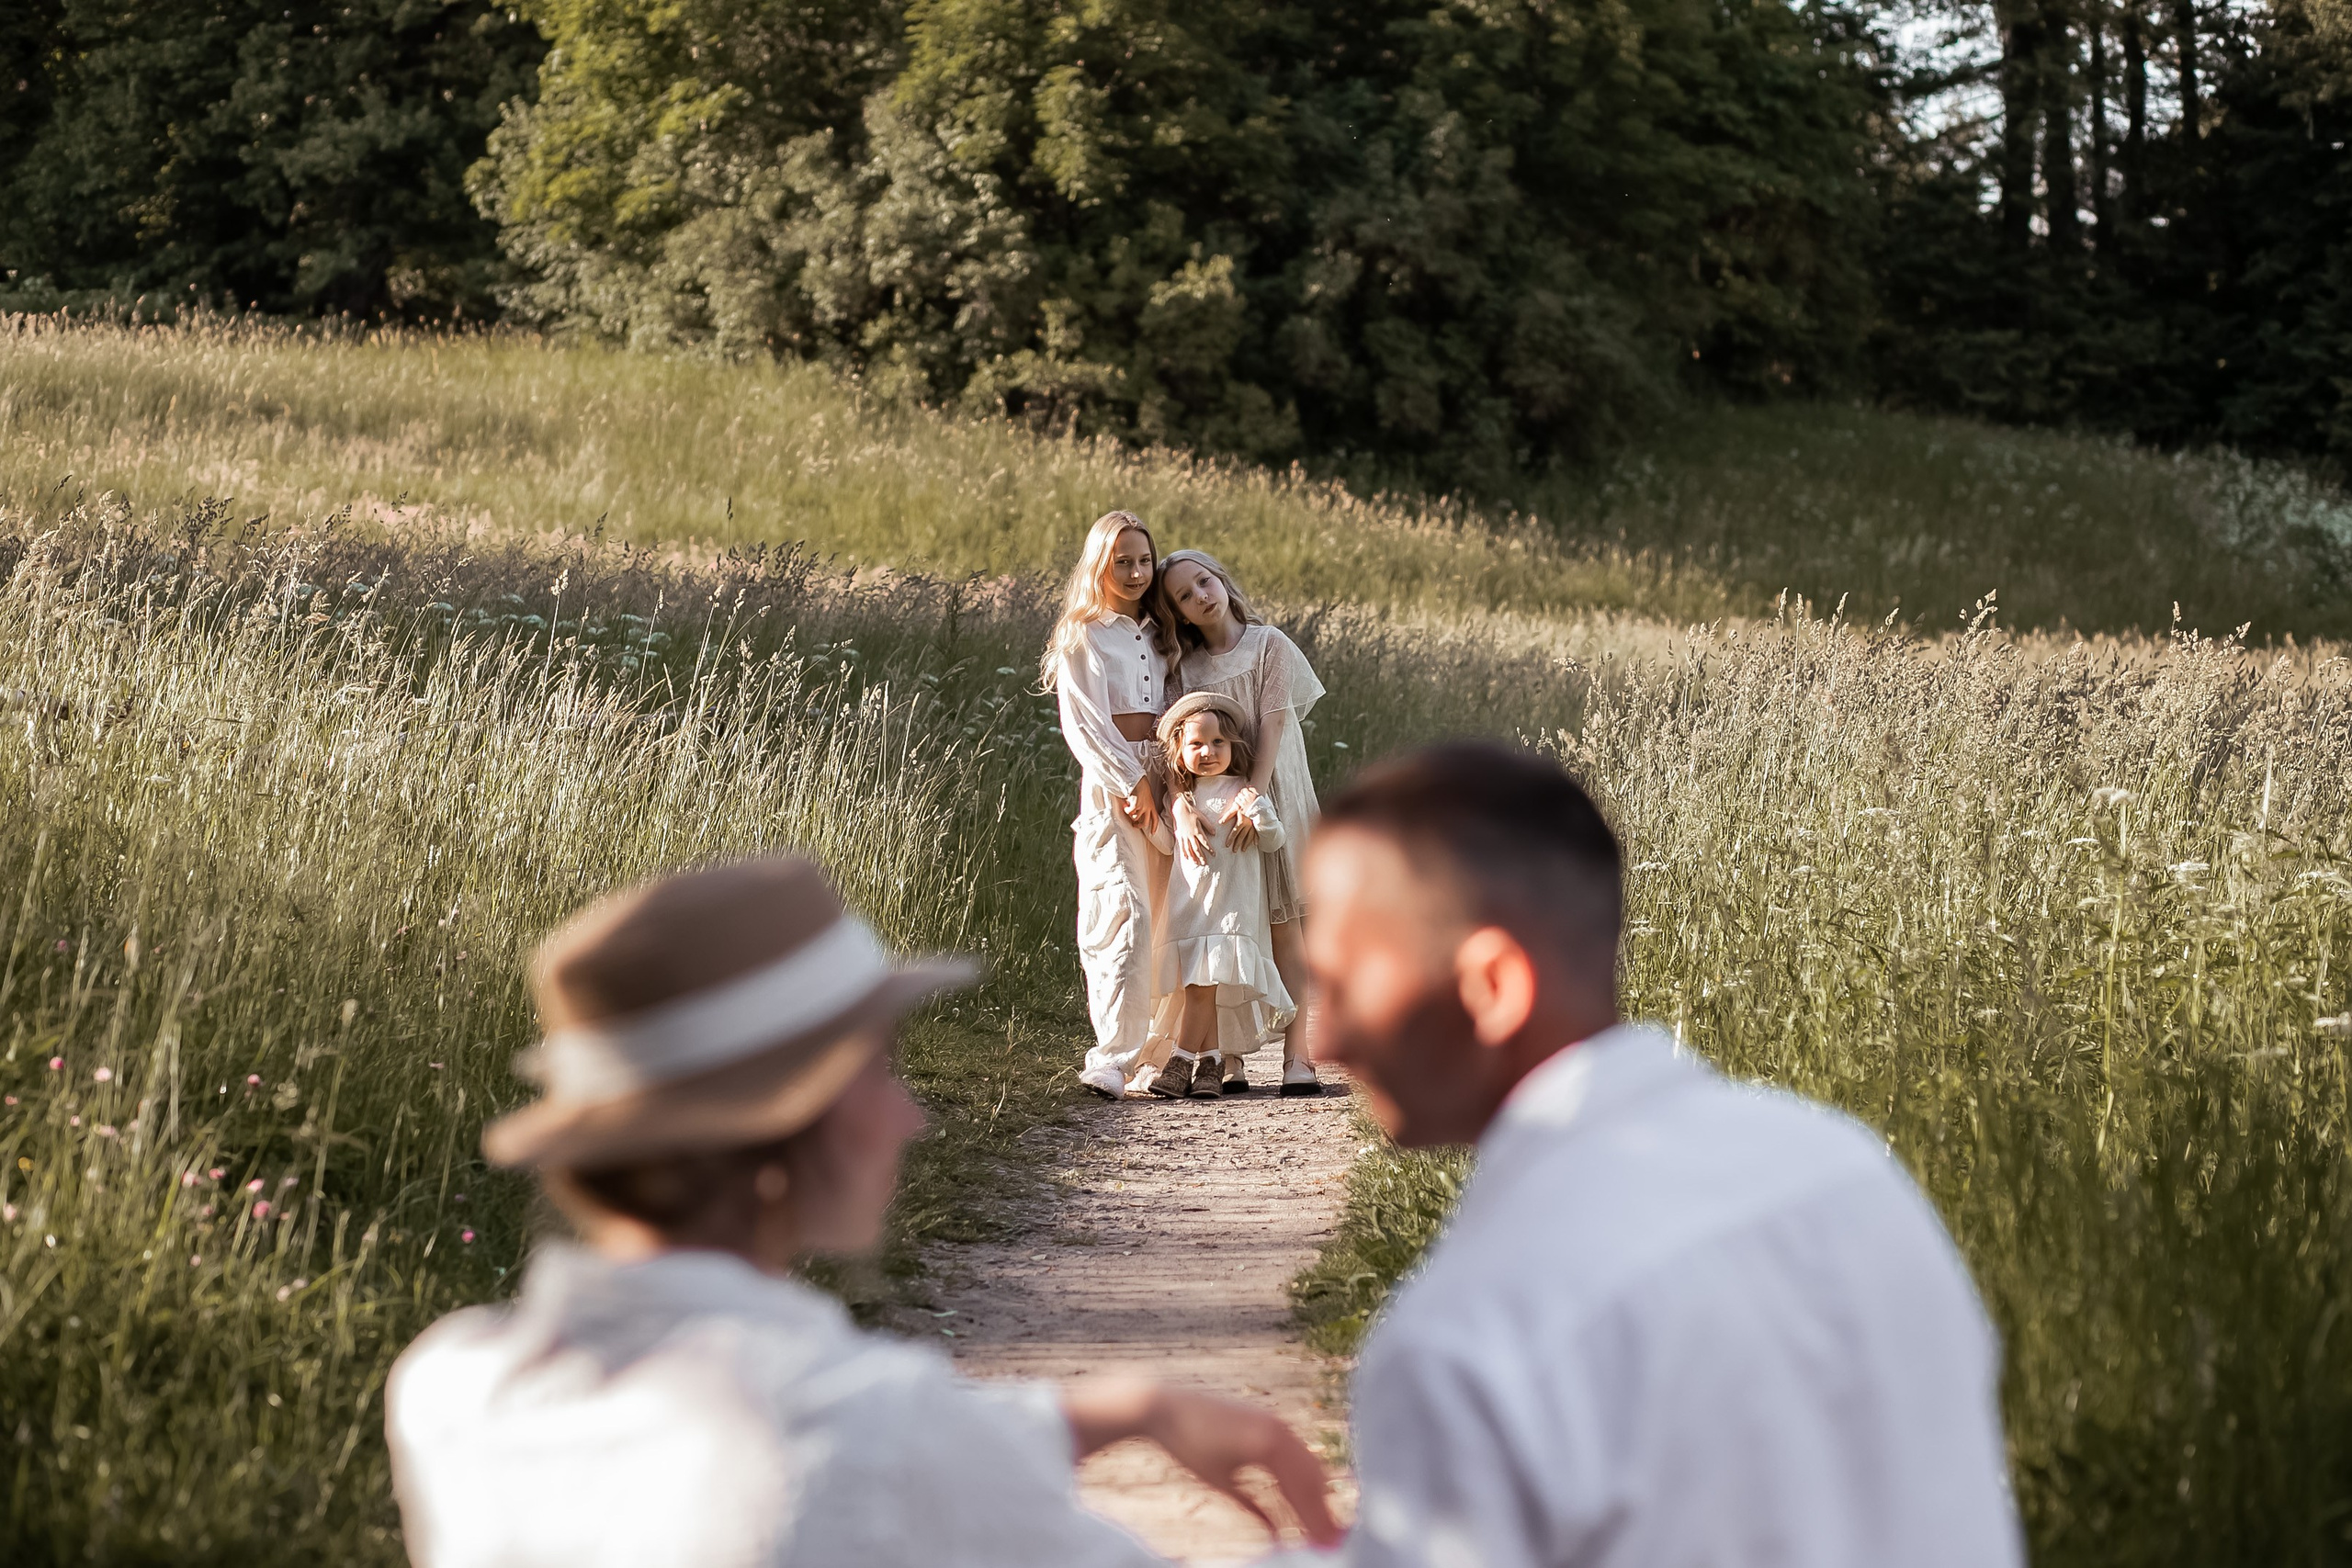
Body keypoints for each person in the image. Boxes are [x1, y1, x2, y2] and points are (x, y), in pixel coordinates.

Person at [385, 856, 1339, 1568]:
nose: (907, 1116)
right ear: (784, 1128)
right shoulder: (872, 1435)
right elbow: (885, 1450)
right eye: (878, 1072)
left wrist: (1120, 1409)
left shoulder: (454, 1388)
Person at [1295, 743, 2025, 1568]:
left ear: (1492, 986)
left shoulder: (1471, 1334)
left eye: (1339, 986)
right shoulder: (1848, 1170)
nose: (1324, 1041)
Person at [1153, 549, 1325, 1096]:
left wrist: (1254, 790)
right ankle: (1228, 1058)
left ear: (1221, 581)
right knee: (1225, 921)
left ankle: (1298, 1056)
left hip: (1272, 789)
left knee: (1285, 925)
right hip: (1212, 802)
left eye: (1204, 582)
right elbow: (1175, 746)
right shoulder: (1185, 670)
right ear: (1177, 613)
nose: (1200, 596)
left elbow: (1272, 725)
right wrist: (1180, 805)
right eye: (1184, 595)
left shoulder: (1269, 644)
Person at [1045, 510, 1177, 1100]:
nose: (1135, 572)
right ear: (1101, 564)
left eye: (1144, 560)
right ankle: (1112, 1058)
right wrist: (1131, 781)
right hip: (1114, 782)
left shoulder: (1163, 632)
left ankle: (1160, 1054)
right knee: (1123, 911)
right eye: (1122, 561)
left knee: (1170, 915)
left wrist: (1172, 783)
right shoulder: (1083, 633)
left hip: (1170, 780)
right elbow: (1084, 724)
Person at [1142, 693, 1295, 1099]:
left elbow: (1274, 840)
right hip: (1191, 910)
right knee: (1200, 988)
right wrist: (1148, 821)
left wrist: (1256, 809)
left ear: (1233, 745)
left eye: (1217, 743)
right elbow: (1167, 844)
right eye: (1196, 744)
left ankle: (1179, 1062)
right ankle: (1209, 1064)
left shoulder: (1243, 790)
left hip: (1230, 912)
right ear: (1179, 750)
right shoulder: (1183, 801)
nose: (1208, 752)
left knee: (1202, 987)